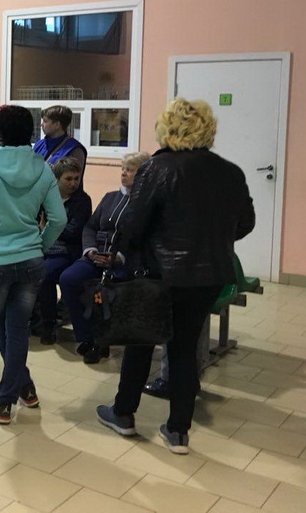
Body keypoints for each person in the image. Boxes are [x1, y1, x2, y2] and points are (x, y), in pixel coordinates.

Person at [96, 99, 255, 455]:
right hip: (208, 275)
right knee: (184, 348)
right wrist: (210, 241)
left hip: (159, 274)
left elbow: (133, 224)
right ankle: (178, 431)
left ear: (166, 128)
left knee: (140, 342)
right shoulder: (229, 171)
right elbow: (245, 223)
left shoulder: (156, 168)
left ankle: (123, 414)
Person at [0, 105, 66, 424]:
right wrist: (40, 245)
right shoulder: (43, 168)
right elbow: (58, 219)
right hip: (30, 261)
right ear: (31, 131)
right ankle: (25, 387)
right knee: (15, 328)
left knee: (5, 329)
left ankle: (3, 399)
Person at [57, 151, 151, 363]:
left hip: (124, 262)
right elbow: (90, 226)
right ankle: (87, 336)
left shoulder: (146, 204)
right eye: (123, 169)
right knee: (69, 279)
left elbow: (144, 240)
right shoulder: (110, 197)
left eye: (130, 170)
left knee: (106, 289)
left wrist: (118, 257)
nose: (123, 173)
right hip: (96, 255)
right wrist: (90, 250)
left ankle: (103, 339)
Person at [35, 157, 92, 346]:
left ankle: (49, 324)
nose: (73, 183)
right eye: (68, 179)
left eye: (76, 178)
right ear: (56, 179)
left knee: (45, 274)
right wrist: (51, 228)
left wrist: (48, 227)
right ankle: (31, 317)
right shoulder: (46, 197)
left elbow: (74, 232)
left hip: (67, 252)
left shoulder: (82, 201)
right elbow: (34, 222)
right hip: (42, 247)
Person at [32, 105, 87, 178]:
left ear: (57, 125)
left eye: (45, 121)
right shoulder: (39, 144)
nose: (41, 124)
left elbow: (73, 181)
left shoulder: (74, 149)